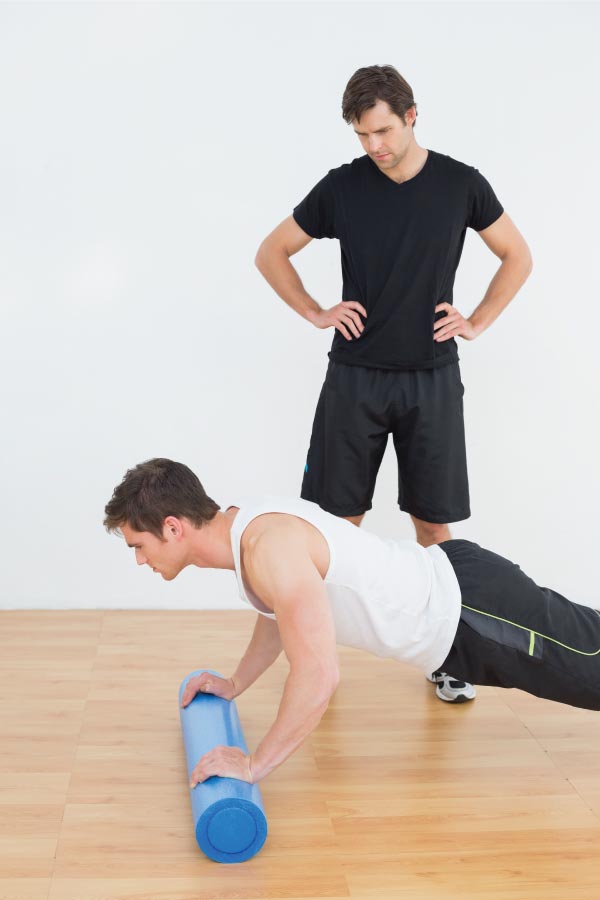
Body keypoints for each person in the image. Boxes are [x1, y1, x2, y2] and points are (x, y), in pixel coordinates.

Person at [255, 65, 533, 702]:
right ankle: (314, 665)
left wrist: (479, 319)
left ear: (412, 116)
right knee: (333, 527)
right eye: (361, 135)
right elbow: (272, 251)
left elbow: (517, 254)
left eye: (382, 130)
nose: (374, 145)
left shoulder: (460, 184)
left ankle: (449, 657)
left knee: (433, 527)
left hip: (432, 380)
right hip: (354, 377)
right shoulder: (342, 189)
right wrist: (315, 310)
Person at [104, 459, 600, 787]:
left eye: (138, 546)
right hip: (461, 597)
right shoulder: (249, 531)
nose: (140, 560)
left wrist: (255, 766)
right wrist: (236, 683)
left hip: (471, 611)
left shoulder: (268, 547)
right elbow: (281, 613)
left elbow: (318, 674)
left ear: (172, 527)